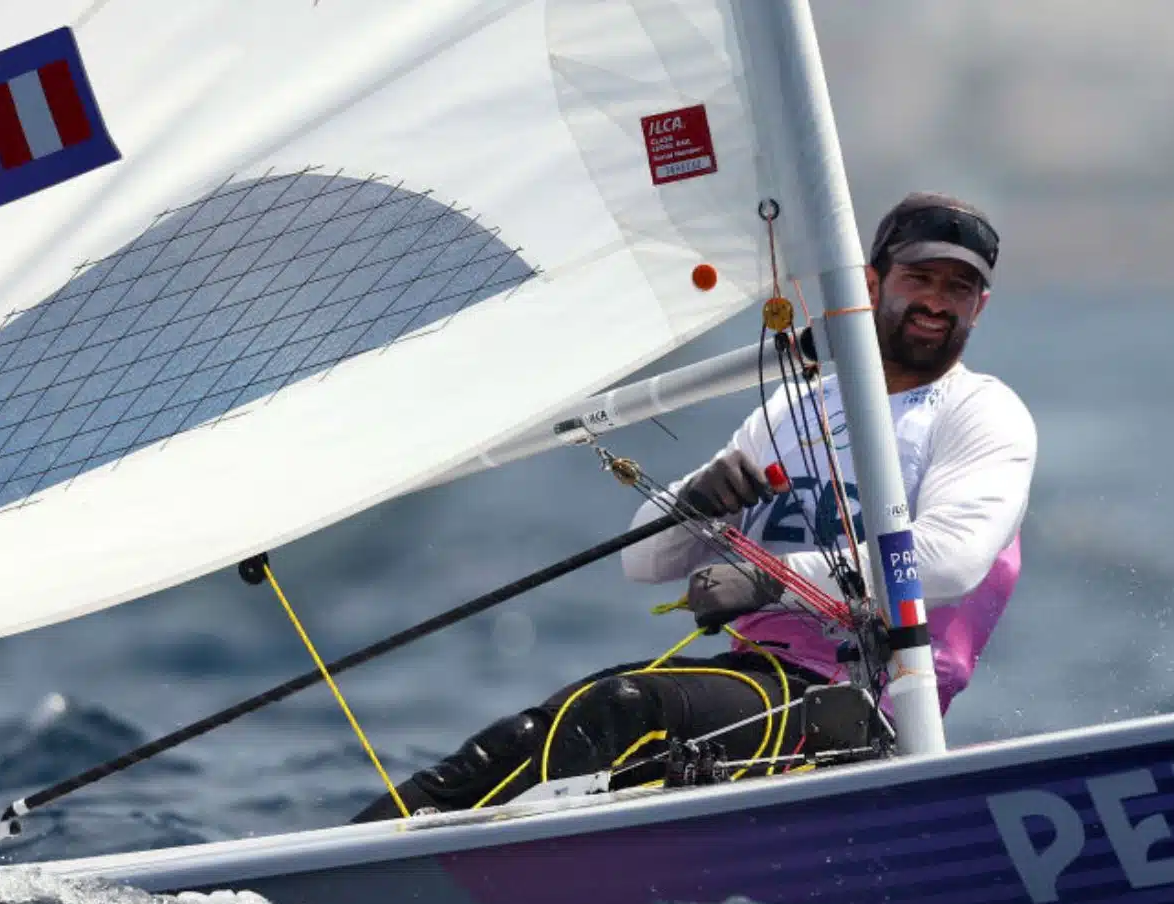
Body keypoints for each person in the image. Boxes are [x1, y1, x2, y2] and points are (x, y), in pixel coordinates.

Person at [352, 192, 1036, 822]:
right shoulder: (796, 409)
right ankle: (312, 878)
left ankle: (515, 874)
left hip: (856, 710)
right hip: (753, 682)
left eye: (959, 288)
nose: (937, 302)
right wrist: (692, 501)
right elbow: (643, 562)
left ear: (979, 306)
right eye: (920, 279)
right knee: (515, 742)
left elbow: (950, 560)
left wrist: (772, 580)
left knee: (617, 709)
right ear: (870, 283)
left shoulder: (980, 413)